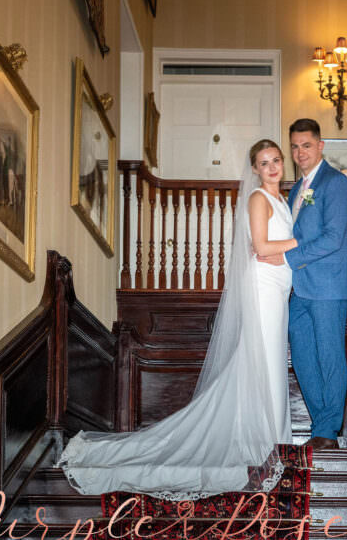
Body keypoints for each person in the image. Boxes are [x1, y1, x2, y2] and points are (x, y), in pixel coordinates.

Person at [57, 139, 296, 500]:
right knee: (263, 361)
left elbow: (269, 249)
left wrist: (286, 252)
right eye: (264, 163)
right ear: (255, 171)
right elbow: (263, 249)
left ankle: (268, 438)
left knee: (270, 361)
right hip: (264, 290)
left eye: (276, 160)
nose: (273, 167)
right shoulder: (259, 198)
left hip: (279, 289)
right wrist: (299, 242)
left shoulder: (283, 200)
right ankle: (264, 441)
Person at [277, 118, 347, 449]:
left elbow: (333, 239)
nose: (300, 153)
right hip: (299, 288)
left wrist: (286, 259)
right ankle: (321, 425)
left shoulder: (336, 182)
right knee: (301, 358)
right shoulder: (296, 189)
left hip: (328, 286)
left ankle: (326, 431)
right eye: (295, 146)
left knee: (329, 356)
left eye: (306, 145)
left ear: (320, 145)